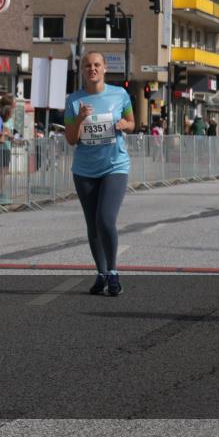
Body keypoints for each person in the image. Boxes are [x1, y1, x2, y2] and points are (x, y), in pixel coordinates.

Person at [64, 51, 135, 298]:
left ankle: (113, 272)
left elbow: (132, 122)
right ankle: (101, 272)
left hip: (115, 166)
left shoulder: (120, 94)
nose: (92, 69)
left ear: (105, 68)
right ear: (82, 70)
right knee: (93, 225)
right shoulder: (74, 100)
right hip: (84, 170)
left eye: (96, 65)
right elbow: (72, 139)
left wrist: (124, 125)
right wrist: (81, 118)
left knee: (105, 220)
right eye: (87, 65)